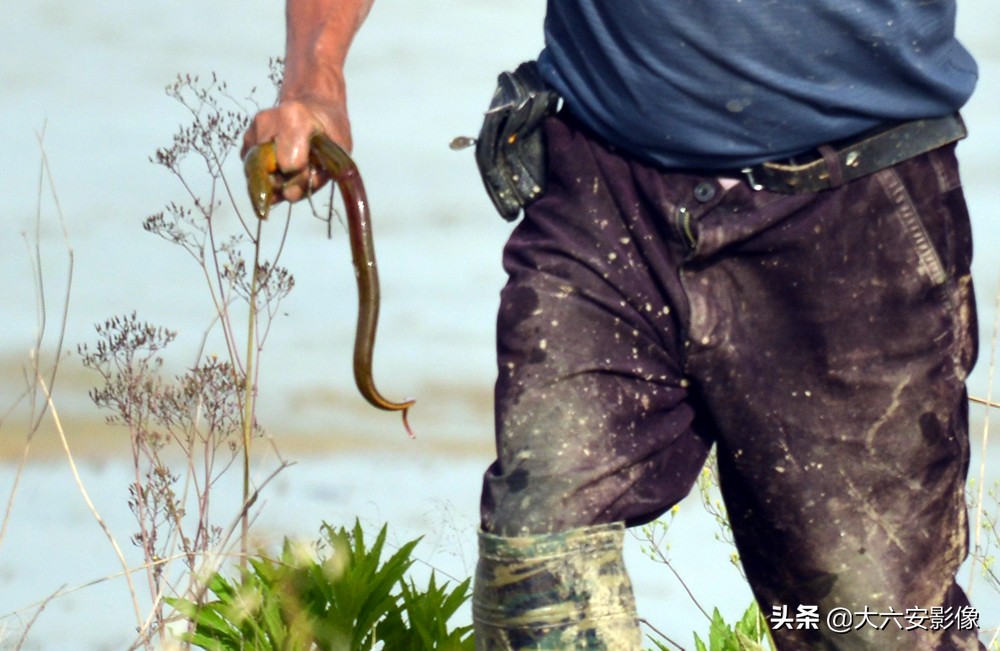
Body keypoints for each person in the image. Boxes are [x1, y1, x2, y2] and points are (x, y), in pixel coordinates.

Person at [243, 1, 984, 649]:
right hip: (603, 184)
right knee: (537, 579)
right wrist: (316, 80)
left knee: (872, 626)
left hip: (855, 202)